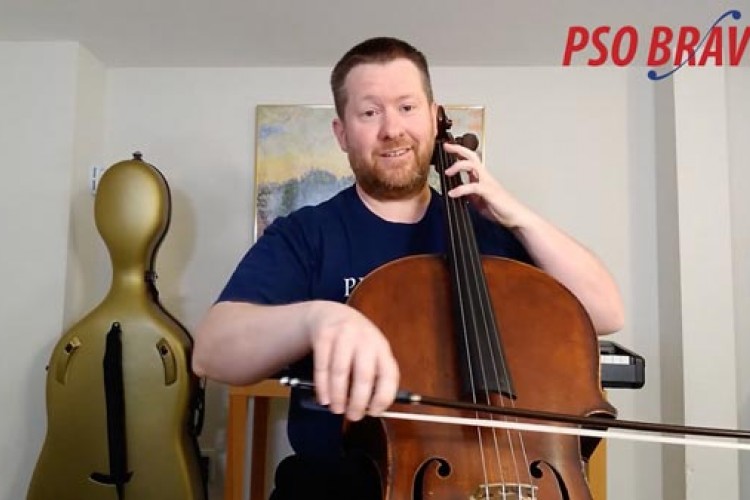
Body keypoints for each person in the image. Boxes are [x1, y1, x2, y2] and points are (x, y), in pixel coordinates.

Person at [193, 36, 624, 498]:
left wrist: (517, 215)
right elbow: (212, 352)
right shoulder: (307, 234)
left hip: (506, 475)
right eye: (369, 112)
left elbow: (604, 312)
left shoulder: (488, 233)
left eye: (406, 107)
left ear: (434, 117)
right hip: (341, 484)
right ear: (342, 133)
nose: (392, 130)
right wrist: (319, 317)